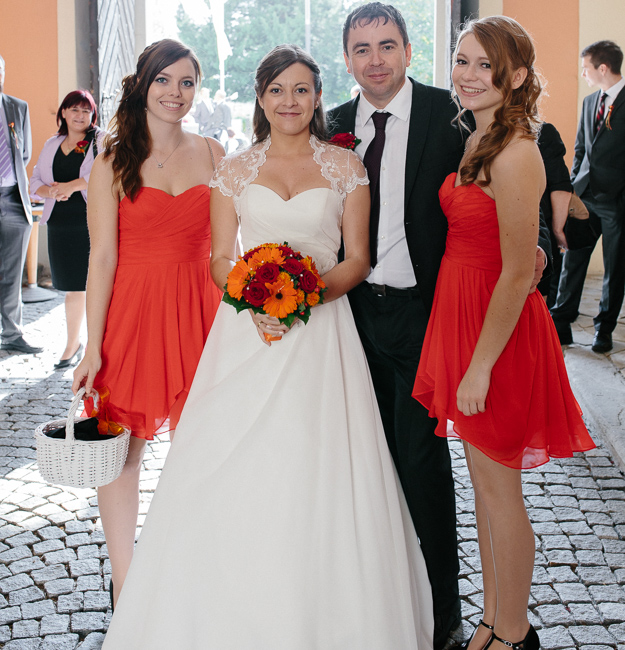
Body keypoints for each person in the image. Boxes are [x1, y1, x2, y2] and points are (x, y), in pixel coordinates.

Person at [101, 44, 434, 650]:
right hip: (245, 336)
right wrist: (257, 303)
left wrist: (304, 298)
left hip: (322, 337)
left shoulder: (344, 169)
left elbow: (357, 259)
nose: (290, 101)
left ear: (317, 98)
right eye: (278, 90)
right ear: (261, 98)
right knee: (230, 463)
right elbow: (219, 258)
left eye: (302, 90)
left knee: (320, 461)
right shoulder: (232, 170)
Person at [328, 3, 551, 650]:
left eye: (387, 45)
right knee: (374, 466)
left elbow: (526, 188)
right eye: (361, 48)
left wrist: (536, 247)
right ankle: (427, 611)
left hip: (435, 318)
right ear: (347, 57)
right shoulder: (334, 126)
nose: (374, 59)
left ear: (405, 50)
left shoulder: (448, 118)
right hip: (354, 318)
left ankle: (448, 621)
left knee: (442, 474)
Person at [412, 16, 595, 650]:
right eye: (461, 61)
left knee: (501, 494)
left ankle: (514, 633)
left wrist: (481, 365)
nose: (466, 75)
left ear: (515, 75)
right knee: (485, 494)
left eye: (483, 65)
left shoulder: (517, 151)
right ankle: (490, 622)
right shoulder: (476, 137)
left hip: (497, 332)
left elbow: (520, 272)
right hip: (462, 315)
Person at [72, 39, 224, 607]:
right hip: (134, 312)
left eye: (187, 82)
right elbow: (102, 258)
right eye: (164, 80)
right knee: (124, 448)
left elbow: (231, 240)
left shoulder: (214, 153)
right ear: (142, 84)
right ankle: (125, 578)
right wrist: (93, 346)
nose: (175, 93)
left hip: (201, 310)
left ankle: (191, 565)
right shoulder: (111, 161)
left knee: (200, 444)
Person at [550, 40, 625, 353]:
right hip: (584, 197)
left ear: (602, 68)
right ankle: (562, 323)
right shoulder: (590, 101)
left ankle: (604, 329)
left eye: (586, 68)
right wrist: (570, 190)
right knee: (574, 260)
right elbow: (580, 149)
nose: (583, 74)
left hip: (618, 202)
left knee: (614, 267)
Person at [30, 90, 101, 369]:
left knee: (96, 286)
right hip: (60, 224)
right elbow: (35, 179)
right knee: (72, 288)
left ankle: (98, 347)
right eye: (74, 109)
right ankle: (73, 344)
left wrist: (71, 186)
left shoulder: (100, 140)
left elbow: (104, 171)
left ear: (93, 115)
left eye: (86, 111)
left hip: (91, 222)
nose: (80, 116)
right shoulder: (52, 143)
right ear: (63, 113)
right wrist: (51, 191)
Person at [0, 53, 39, 354]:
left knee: (11, 273)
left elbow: (23, 155)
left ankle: (12, 334)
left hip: (13, 198)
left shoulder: (17, 107)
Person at [536, 122, 573, 309]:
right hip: (539, 230)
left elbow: (561, 186)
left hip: (538, 233)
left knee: (539, 297)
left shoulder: (542, 132)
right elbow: (560, 184)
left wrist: (558, 230)